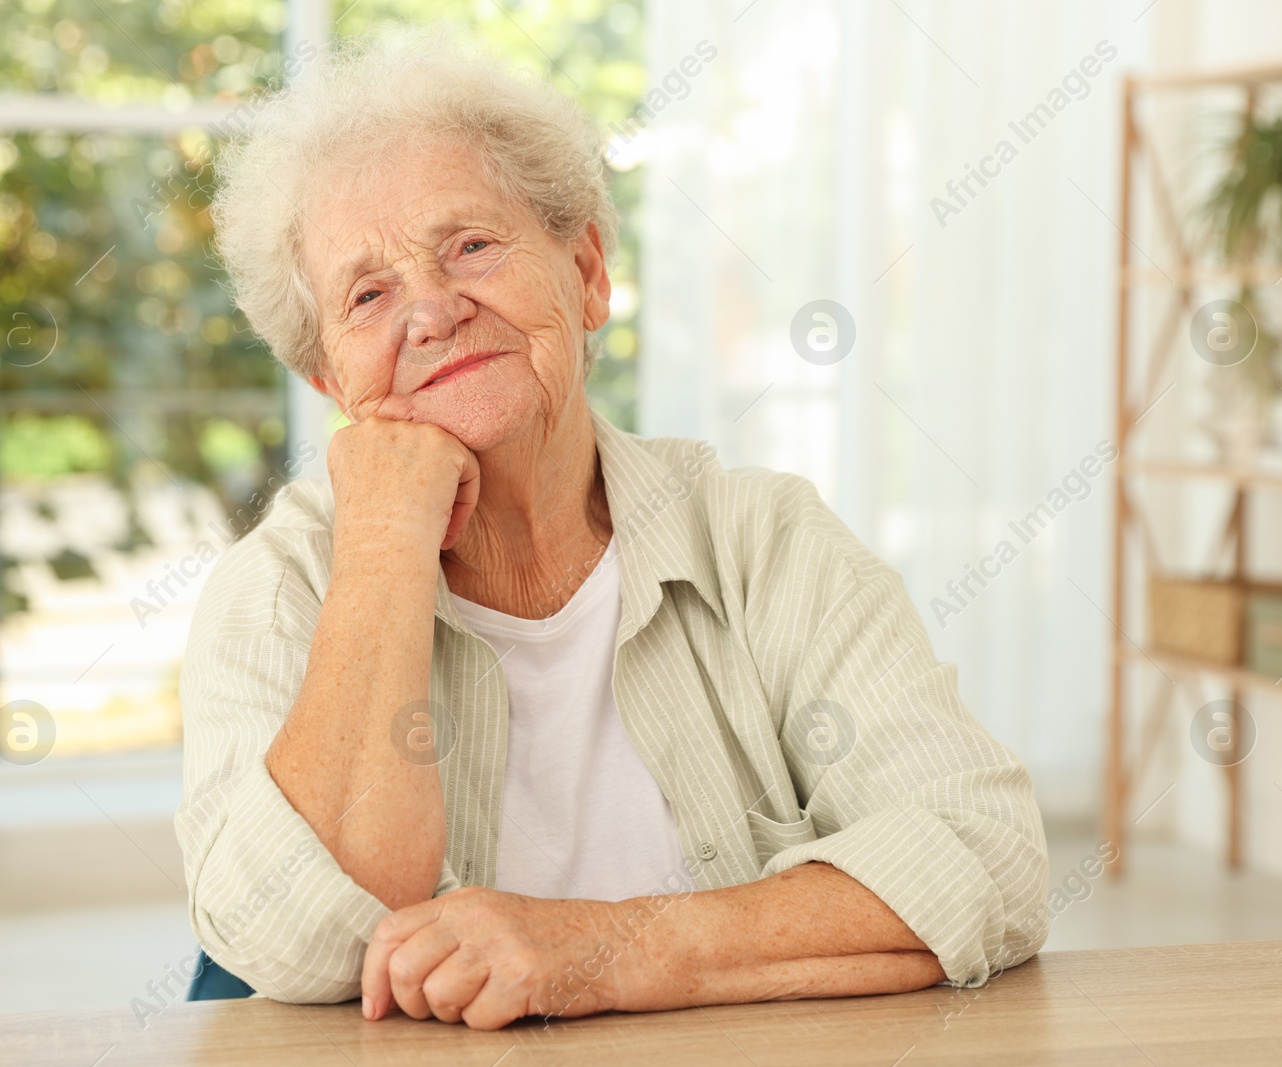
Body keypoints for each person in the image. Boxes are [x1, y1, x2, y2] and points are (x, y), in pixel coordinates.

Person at [177, 27, 1049, 1032]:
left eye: (469, 245)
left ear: (586, 270)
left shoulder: (763, 539)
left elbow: (985, 853)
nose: (433, 311)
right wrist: (381, 545)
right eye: (368, 294)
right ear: (331, 379)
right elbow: (290, 935)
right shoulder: (278, 588)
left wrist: (595, 948)